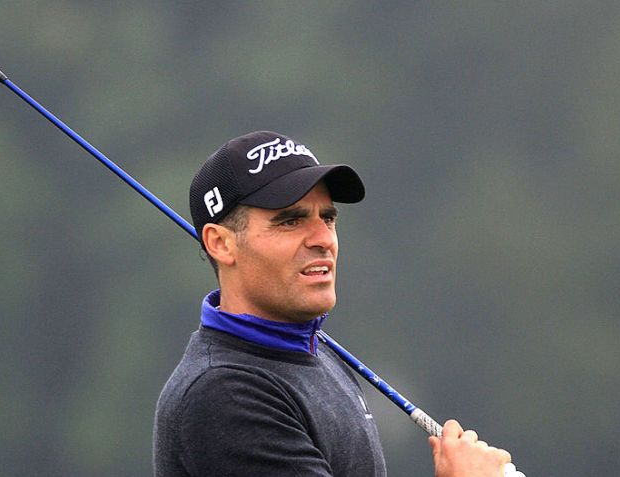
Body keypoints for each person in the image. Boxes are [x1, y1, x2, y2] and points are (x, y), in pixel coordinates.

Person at [153, 131, 513, 476]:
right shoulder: (225, 395)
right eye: (291, 221)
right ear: (220, 243)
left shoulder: (317, 353)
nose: (323, 239)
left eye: (327, 218)